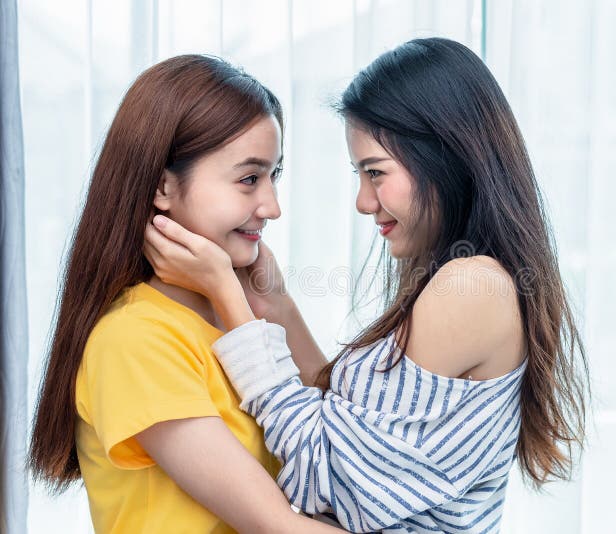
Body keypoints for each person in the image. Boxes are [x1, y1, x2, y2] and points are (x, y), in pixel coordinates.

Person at [145, 37, 590, 533]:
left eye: (375, 172)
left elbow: (332, 482)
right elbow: (345, 428)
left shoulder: (471, 286)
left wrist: (228, 297)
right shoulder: (465, 280)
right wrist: (275, 304)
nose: (363, 200)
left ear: (443, 157)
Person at [28, 54, 343, 534]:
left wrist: (274, 301)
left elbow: (342, 444)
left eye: (274, 176)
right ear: (162, 186)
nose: (272, 207)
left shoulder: (232, 321)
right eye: (249, 179)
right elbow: (279, 527)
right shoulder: (136, 340)